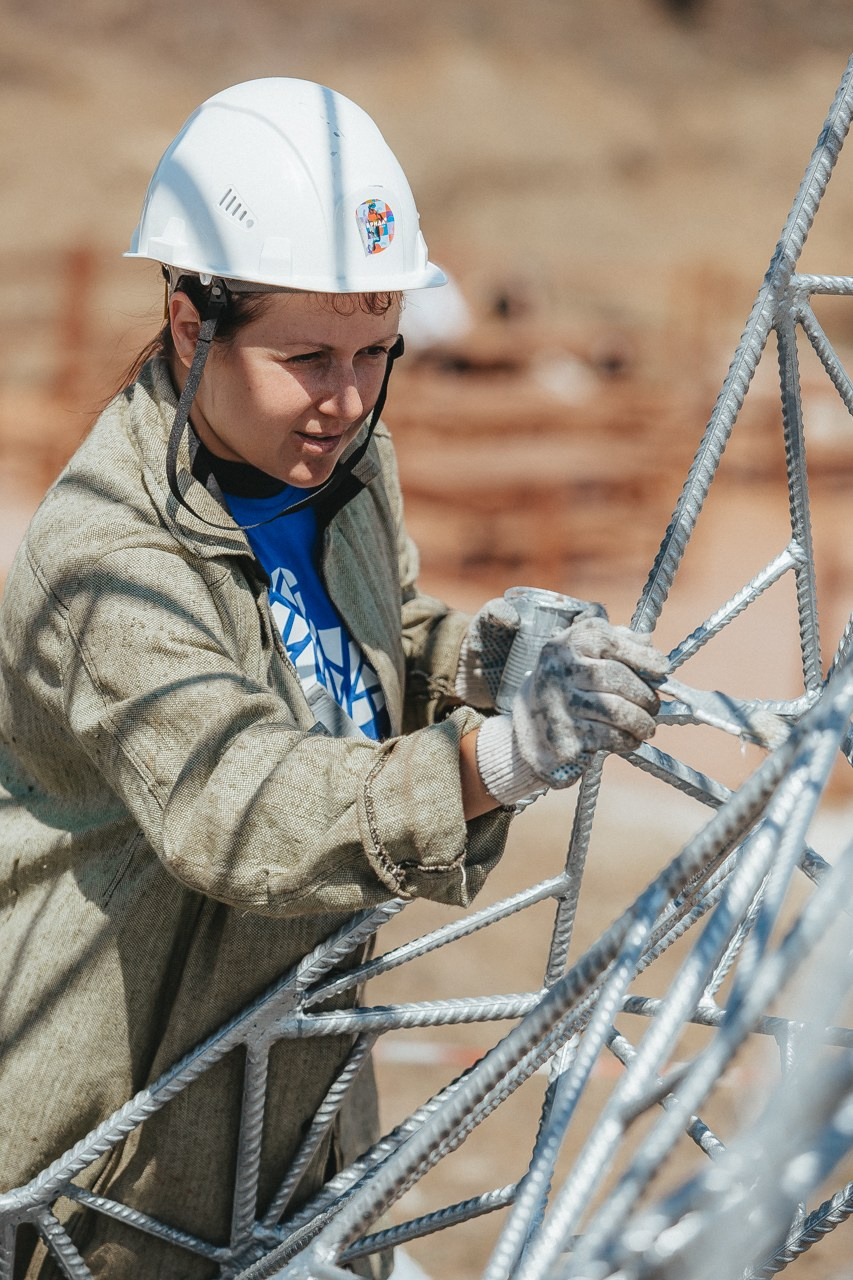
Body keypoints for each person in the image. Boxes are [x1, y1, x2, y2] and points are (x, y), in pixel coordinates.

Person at [0, 79, 668, 1279]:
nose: (347, 400)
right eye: (305, 356)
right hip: (102, 1186)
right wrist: (496, 755)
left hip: (286, 1129)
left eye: (376, 353)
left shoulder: (341, 476)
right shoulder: (104, 565)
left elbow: (372, 638)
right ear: (192, 321)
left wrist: (479, 656)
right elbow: (238, 804)